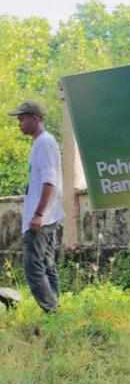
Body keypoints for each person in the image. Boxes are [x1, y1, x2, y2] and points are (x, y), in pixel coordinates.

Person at [9, 100, 64, 313]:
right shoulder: (40, 143)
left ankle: (51, 310)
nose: (19, 123)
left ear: (36, 118)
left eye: (22, 119)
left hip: (42, 219)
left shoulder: (44, 143)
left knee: (33, 268)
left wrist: (39, 214)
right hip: (48, 216)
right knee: (47, 264)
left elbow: (49, 182)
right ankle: (55, 308)